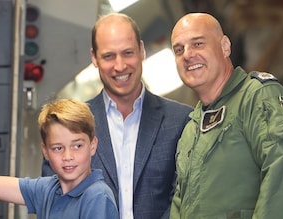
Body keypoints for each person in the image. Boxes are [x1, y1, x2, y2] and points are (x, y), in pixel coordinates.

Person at [42, 13, 193, 219]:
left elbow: (187, 198)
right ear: (94, 58)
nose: (120, 66)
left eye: (128, 53)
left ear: (141, 50)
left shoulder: (181, 121)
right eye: (109, 56)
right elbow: (56, 204)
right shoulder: (68, 126)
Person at [170, 12, 283, 218]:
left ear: (225, 46)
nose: (187, 55)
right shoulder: (190, 129)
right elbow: (180, 204)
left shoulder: (256, 97)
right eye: (179, 49)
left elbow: (280, 171)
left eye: (197, 44)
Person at [0, 96, 119, 219]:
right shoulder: (47, 189)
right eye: (58, 148)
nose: (68, 156)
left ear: (93, 146)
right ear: (45, 152)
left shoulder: (97, 196)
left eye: (77, 146)